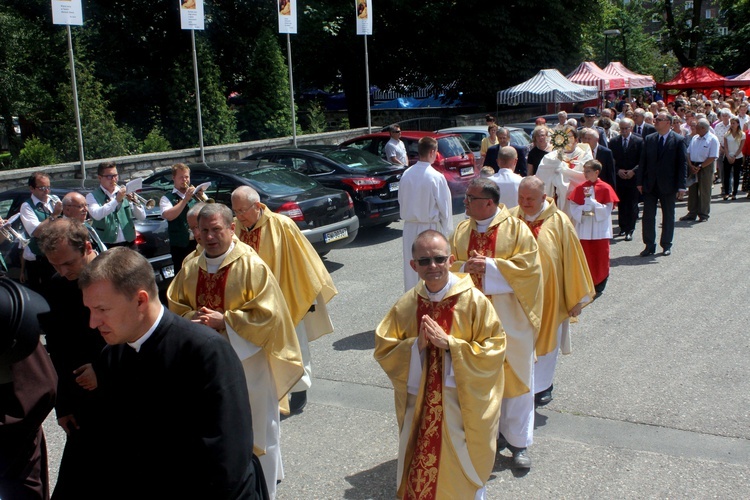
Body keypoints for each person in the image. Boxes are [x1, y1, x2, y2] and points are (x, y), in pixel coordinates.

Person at [80, 247, 267, 499]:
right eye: (90, 310)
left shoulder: (205, 351)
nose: (93, 322)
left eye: (102, 310)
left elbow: (227, 458)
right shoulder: (113, 356)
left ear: (140, 300)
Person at [167, 203, 302, 499]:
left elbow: (269, 315)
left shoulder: (251, 266)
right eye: (204, 231)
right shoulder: (191, 265)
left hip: (248, 361)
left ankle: (264, 487)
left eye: (217, 229)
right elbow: (175, 304)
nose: (210, 237)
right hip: (205, 362)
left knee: (257, 428)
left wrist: (225, 321)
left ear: (231, 229)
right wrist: (194, 318)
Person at [374, 230, 506, 498]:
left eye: (438, 259)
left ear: (451, 260)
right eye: (424, 261)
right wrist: (416, 346)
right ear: (413, 266)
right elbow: (384, 347)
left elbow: (495, 347)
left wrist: (452, 346)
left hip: (460, 401)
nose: (432, 266)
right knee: (421, 453)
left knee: (461, 457)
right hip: (420, 399)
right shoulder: (408, 303)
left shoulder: (473, 300)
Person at [449, 178, 543, 469]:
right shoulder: (462, 230)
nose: (465, 203)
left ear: (488, 202)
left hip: (509, 318)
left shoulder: (516, 229)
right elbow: (448, 266)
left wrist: (489, 266)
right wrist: (465, 266)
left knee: (516, 380)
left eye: (470, 198)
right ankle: (485, 438)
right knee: (478, 381)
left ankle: (518, 443)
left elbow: (530, 271)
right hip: (473, 321)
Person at [232, 185, 337, 413]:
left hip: (284, 298)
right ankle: (264, 392)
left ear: (257, 206)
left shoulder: (282, 225)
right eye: (236, 211)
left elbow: (303, 262)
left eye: (243, 210)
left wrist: (306, 296)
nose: (239, 216)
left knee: (294, 345)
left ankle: (299, 389)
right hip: (248, 304)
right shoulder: (235, 228)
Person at [36, 218, 105, 500]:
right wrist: (61, 405)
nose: (62, 272)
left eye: (68, 264)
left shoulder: (116, 276)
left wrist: (104, 368)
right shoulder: (56, 285)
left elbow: (143, 335)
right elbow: (56, 347)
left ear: (87, 247)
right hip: (79, 400)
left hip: (120, 393)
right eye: (55, 265)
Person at [510, 176, 594, 406]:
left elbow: (573, 259)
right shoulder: (510, 217)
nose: (525, 202)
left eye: (530, 198)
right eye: (521, 197)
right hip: (515, 296)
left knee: (548, 339)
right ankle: (519, 384)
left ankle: (543, 386)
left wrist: (576, 298)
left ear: (543, 196)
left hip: (550, 295)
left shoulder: (559, 221)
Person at [397, 136, 453, 292]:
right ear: (433, 152)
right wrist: (447, 233)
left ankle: (412, 298)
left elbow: (401, 200)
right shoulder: (436, 176)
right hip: (430, 228)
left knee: (412, 267)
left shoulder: (406, 174)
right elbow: (445, 208)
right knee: (432, 267)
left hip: (410, 227)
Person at [637, 112, 687, 257]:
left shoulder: (678, 140)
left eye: (659, 120)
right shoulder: (649, 138)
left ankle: (666, 244)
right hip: (650, 184)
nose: (655, 122)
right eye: (655, 119)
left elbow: (681, 164)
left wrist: (681, 186)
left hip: (668, 184)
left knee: (668, 216)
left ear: (668, 122)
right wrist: (639, 181)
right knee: (648, 216)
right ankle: (649, 245)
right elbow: (643, 162)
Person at [567, 160, 619, 296]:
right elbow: (573, 207)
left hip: (599, 229)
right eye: (584, 171)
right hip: (584, 227)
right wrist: (584, 208)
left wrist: (594, 204)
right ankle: (585, 284)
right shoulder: (580, 188)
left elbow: (608, 209)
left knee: (600, 257)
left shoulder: (605, 188)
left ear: (596, 172)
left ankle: (600, 283)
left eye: (588, 171)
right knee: (586, 256)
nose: (585, 174)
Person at [536, 125, 594, 216]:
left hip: (579, 201)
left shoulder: (585, 156)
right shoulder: (551, 157)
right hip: (558, 201)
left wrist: (564, 171)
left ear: (576, 139)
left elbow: (587, 177)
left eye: (570, 137)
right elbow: (541, 179)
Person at [86, 162, 146, 248]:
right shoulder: (91, 196)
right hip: (107, 244)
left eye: (115, 176)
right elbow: (97, 215)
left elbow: (142, 217)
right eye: (109, 176)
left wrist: (135, 202)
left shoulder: (124, 191)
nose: (113, 179)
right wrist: (116, 200)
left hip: (129, 243)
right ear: (100, 178)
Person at [19, 172, 62, 292]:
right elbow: (36, 232)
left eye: (48, 187)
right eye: (42, 188)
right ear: (31, 189)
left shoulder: (54, 200)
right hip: (39, 259)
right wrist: (54, 216)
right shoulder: (26, 206)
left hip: (56, 255)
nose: (47, 191)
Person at [159, 163, 205, 273]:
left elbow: (210, 210)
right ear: (173, 178)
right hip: (180, 245)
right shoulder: (166, 198)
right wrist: (185, 200)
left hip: (199, 242)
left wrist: (201, 196)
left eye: (187, 177)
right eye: (181, 177)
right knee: (183, 274)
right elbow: (169, 216)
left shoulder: (196, 194)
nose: (185, 180)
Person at [609, 118, 644, 241]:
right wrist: (618, 170)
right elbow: (611, 160)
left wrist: (633, 171)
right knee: (622, 203)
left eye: (626, 128)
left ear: (631, 128)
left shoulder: (639, 141)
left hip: (633, 177)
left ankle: (630, 229)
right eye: (621, 128)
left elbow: (642, 160)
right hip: (620, 177)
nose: (623, 131)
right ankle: (622, 227)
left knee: (632, 204)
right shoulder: (613, 142)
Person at [680, 118, 719, 223]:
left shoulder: (712, 139)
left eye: (696, 127)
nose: (694, 128)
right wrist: (691, 165)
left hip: (705, 166)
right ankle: (692, 212)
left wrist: (700, 166)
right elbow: (688, 152)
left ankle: (704, 214)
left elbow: (713, 157)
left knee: (704, 190)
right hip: (693, 165)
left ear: (703, 128)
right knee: (692, 191)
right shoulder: (695, 138)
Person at [721, 116, 745, 201]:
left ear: (738, 124)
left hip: (738, 157)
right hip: (728, 156)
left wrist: (735, 156)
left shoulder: (742, 134)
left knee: (736, 175)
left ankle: (734, 193)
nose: (732, 125)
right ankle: (727, 192)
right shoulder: (727, 134)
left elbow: (741, 147)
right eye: (731, 123)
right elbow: (725, 147)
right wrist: (728, 156)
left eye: (734, 123)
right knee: (726, 175)